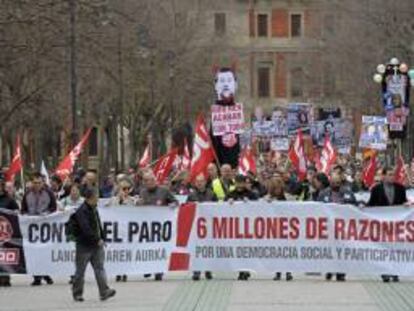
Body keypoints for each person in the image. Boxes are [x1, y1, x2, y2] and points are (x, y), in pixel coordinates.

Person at [68, 187, 116, 302]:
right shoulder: (82, 211)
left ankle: (104, 291)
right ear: (91, 197)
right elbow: (86, 229)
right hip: (84, 245)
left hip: (96, 245)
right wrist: (97, 239)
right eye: (96, 196)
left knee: (99, 268)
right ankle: (77, 293)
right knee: (80, 271)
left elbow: (98, 226)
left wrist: (103, 237)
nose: (98, 199)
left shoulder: (94, 209)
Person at [367, 166, 408, 283]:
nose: (392, 177)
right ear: (383, 176)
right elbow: (371, 204)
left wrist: (406, 205)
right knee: (384, 249)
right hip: (382, 225)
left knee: (395, 248)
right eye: (389, 174)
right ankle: (385, 272)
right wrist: (363, 208)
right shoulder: (376, 189)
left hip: (396, 224)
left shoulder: (400, 188)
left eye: (393, 174)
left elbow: (403, 202)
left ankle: (395, 272)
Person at [138, 171, 178, 281]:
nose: (148, 182)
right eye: (145, 181)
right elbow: (138, 206)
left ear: (155, 180)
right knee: (147, 248)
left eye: (150, 180)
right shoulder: (142, 192)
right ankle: (147, 269)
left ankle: (159, 271)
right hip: (146, 226)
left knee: (159, 248)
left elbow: (175, 201)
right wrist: (138, 204)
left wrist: (172, 204)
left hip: (161, 226)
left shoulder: (164, 191)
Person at [318, 173, 356, 282]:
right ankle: (329, 270)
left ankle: (341, 272)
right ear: (330, 182)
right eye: (334, 182)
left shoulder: (348, 193)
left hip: (343, 228)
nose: (336, 184)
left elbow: (354, 205)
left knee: (342, 250)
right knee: (330, 250)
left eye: (338, 182)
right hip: (328, 228)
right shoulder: (323, 193)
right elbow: (317, 208)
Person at [21, 172, 57, 286]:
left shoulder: (49, 193)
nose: (37, 185)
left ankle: (45, 274)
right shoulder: (27, 194)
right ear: (32, 183)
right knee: (33, 252)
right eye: (35, 183)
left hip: (44, 227)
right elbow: (23, 209)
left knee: (43, 251)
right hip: (31, 227)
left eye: (39, 183)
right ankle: (37, 277)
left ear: (43, 183)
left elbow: (54, 208)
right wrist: (26, 214)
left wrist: (47, 213)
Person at [226, 174, 258, 281]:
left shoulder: (251, 194)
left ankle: (246, 269)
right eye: (237, 182)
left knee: (246, 249)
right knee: (238, 249)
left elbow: (259, 207)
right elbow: (222, 207)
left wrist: (250, 203)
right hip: (235, 227)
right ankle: (241, 270)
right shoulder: (231, 194)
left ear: (245, 183)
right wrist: (228, 203)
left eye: (241, 182)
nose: (239, 184)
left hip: (248, 227)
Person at [187, 174, 217, 281]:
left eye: (201, 181)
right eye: (197, 181)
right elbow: (186, 210)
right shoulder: (191, 195)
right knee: (196, 249)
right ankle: (196, 271)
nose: (199, 183)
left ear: (205, 182)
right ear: (195, 183)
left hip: (208, 226)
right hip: (196, 227)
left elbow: (217, 209)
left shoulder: (212, 194)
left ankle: (208, 270)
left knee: (208, 249)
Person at [265, 172, 293, 281]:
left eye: (279, 188)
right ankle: (277, 272)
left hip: (287, 228)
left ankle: (288, 272)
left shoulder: (289, 198)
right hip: (274, 229)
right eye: (275, 188)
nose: (278, 190)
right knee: (277, 251)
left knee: (286, 251)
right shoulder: (267, 199)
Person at [106, 179, 136, 282]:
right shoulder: (113, 200)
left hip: (127, 230)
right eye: (124, 189)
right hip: (115, 230)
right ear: (119, 189)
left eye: (128, 189)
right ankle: (117, 272)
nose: (126, 191)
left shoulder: (132, 201)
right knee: (117, 252)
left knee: (126, 252)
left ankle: (125, 272)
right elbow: (106, 212)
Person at [0, 172, 19, 287]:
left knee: (4, 254)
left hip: (5, 233)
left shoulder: (9, 199)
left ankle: (5, 276)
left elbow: (17, 211)